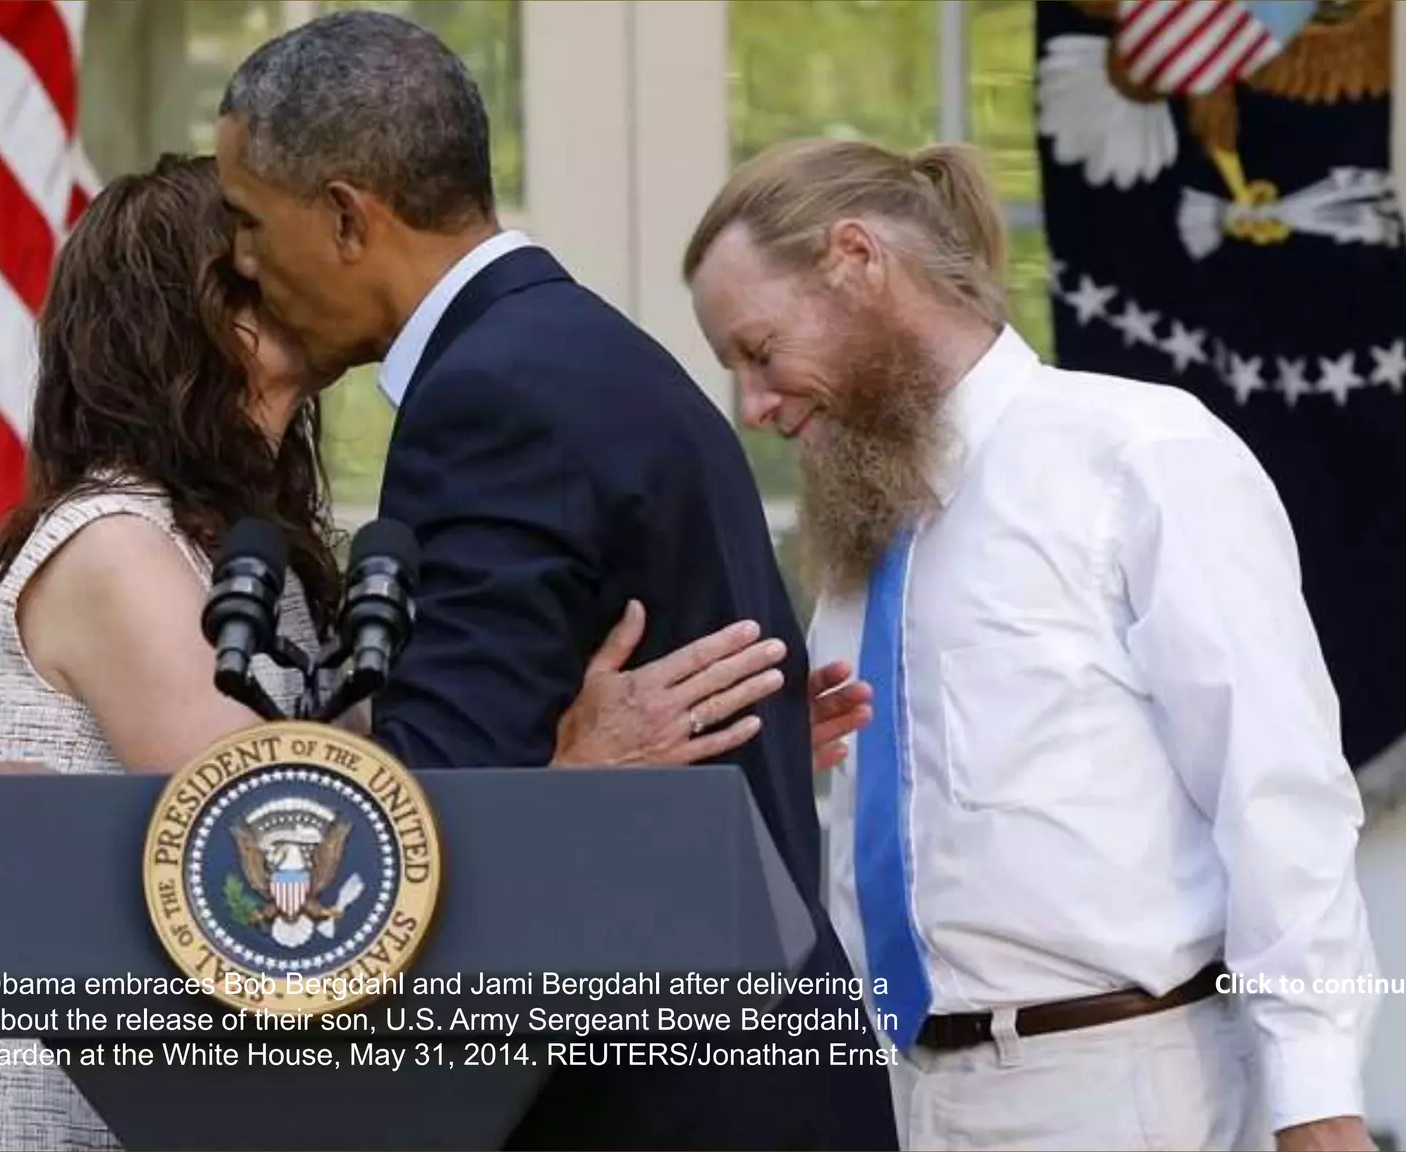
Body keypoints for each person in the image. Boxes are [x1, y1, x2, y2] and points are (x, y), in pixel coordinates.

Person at [0, 156, 795, 1152]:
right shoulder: (117, 544)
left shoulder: (248, 558)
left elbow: (366, 771)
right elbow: (293, 882)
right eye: (260, 253)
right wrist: (570, 773)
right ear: (199, 312)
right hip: (94, 1117)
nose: (305, 264)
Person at [213, 12, 896, 1150]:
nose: (241, 259)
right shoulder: (580, 350)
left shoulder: (493, 400)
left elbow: (441, 800)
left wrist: (562, 771)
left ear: (344, 215)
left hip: (661, 1103)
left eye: (247, 220)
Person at [684, 136, 1384, 1152]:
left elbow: (1276, 792)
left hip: (1118, 1090)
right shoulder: (859, 532)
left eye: (759, 351)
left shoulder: (1139, 458)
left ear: (854, 260)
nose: (754, 405)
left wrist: (1314, 1103)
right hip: (900, 1094)